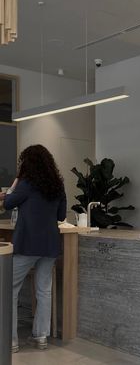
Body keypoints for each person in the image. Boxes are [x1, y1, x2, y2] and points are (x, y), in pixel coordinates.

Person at [0, 144, 66, 353]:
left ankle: (10, 341)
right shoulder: (57, 184)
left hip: (27, 243)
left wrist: (14, 184)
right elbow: (61, 216)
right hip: (49, 245)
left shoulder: (26, 183)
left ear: (27, 163)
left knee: (9, 290)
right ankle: (41, 338)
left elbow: (8, 203)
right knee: (44, 291)